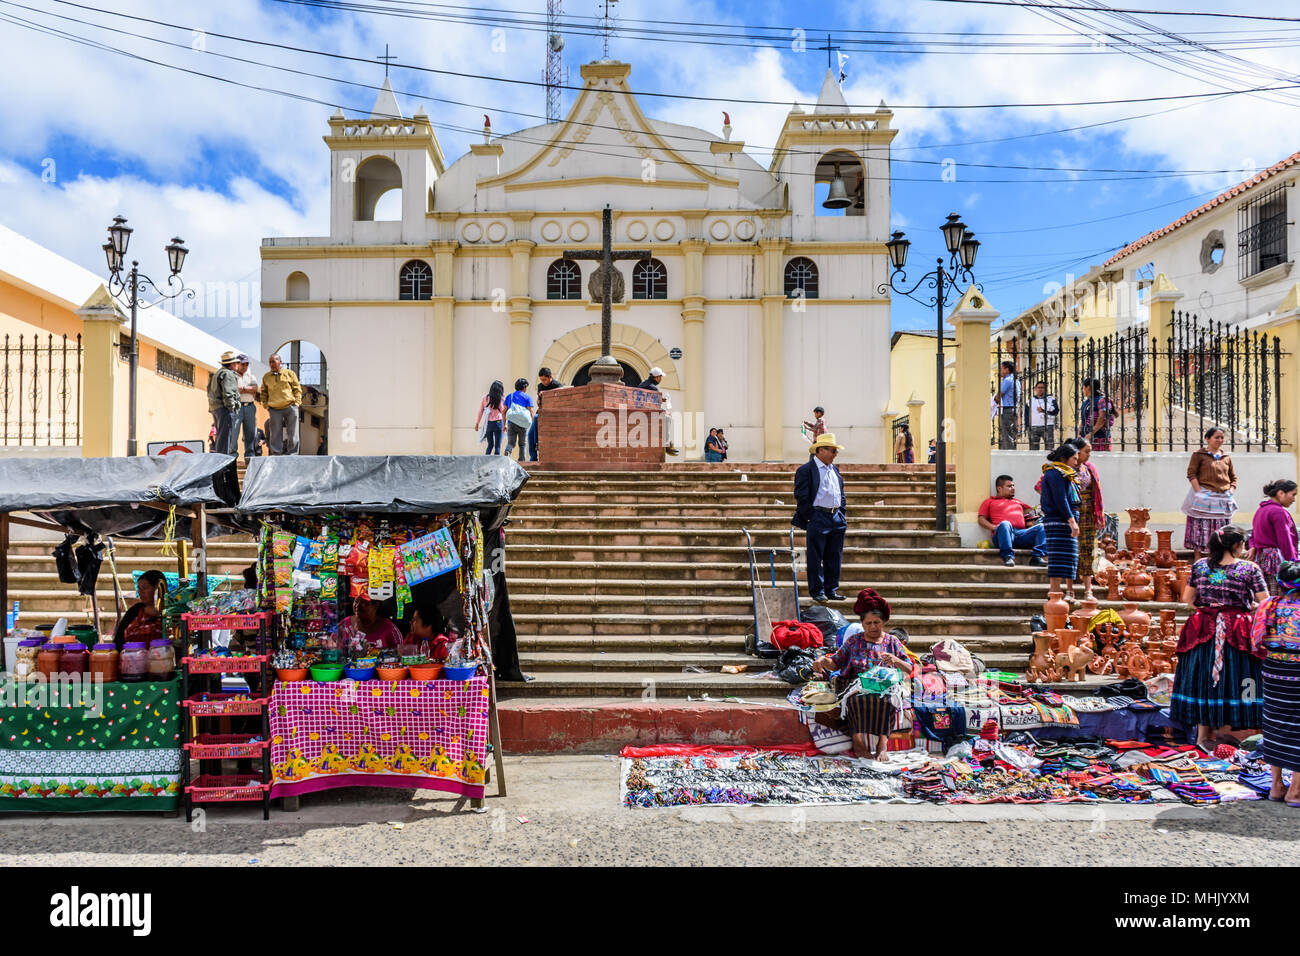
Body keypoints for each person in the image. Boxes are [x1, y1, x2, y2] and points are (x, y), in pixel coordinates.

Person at [1173, 526, 1267, 749]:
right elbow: (1265, 601)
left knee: (1204, 677)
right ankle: (1238, 736)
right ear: (1235, 545)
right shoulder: (1249, 569)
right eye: (1243, 543)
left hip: (1204, 628)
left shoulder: (1200, 566)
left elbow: (1188, 598)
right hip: (1236, 630)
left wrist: (1209, 608)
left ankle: (1202, 738)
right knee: (1241, 676)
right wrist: (1247, 608)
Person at [811, 589, 910, 760]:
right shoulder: (854, 641)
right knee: (856, 700)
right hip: (855, 685)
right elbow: (835, 662)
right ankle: (858, 742)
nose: (873, 627)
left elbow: (909, 667)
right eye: (868, 623)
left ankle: (882, 745)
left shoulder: (892, 642)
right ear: (862, 624)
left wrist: (895, 660)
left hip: (884, 686)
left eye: (877, 622)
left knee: (888, 701)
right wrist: (822, 660)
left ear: (884, 622)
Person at [1250, 560, 1300, 804]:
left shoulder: (1268, 605)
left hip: (1273, 672)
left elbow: (1255, 641)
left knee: (1276, 724)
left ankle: (1276, 786)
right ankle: (1296, 791)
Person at [792, 433, 847, 603]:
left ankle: (831, 589)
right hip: (818, 516)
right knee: (816, 556)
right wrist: (811, 517)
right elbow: (801, 496)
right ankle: (817, 591)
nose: (835, 454)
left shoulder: (834, 470)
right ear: (820, 450)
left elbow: (841, 493)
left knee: (834, 556)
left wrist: (841, 512)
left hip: (836, 517)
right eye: (832, 450)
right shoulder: (805, 470)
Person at [1182, 426, 1237, 561]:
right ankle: (1198, 558)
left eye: (1222, 438)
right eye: (1216, 437)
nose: (1219, 440)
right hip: (1204, 496)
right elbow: (1191, 474)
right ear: (1207, 438)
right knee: (1200, 527)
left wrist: (1230, 491)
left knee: (1220, 529)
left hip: (1222, 498)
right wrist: (1199, 493)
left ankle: (1217, 558)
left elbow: (1233, 478)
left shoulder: (1226, 457)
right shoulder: (1199, 455)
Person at [1040, 442, 1082, 599]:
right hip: (1059, 520)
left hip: (1066, 518)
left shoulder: (1065, 473)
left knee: (1069, 556)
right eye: (1074, 459)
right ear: (1064, 458)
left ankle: (1059, 591)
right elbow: (1060, 499)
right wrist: (1071, 521)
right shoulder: (1055, 473)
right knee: (1058, 556)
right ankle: (1055, 591)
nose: (1076, 463)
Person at [978, 475, 1046, 568]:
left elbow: (1031, 512)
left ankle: (1037, 557)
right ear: (999, 488)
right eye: (1009, 486)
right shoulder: (989, 502)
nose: (1013, 488)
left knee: (1041, 526)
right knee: (1006, 524)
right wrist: (993, 527)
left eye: (1013, 486)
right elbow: (981, 519)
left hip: (1020, 534)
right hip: (1002, 534)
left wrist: (1030, 522)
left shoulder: (1018, 502)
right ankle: (1008, 557)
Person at [1251, 479, 1299, 595]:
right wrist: (1293, 562)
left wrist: (1253, 547)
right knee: (1279, 593)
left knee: (1267, 592)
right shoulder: (1278, 512)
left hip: (1262, 557)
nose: (1293, 499)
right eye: (1293, 494)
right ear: (1281, 493)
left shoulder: (1261, 510)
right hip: (1276, 558)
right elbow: (1285, 540)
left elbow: (1253, 534)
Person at [1071, 437, 1104, 601]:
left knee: (1088, 549)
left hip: (1088, 514)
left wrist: (1098, 514)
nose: (1089, 455)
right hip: (1071, 513)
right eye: (1086, 451)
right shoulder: (1064, 468)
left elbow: (1097, 492)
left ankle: (1088, 590)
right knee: (1070, 549)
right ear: (1076, 452)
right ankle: (1069, 590)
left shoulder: (1089, 468)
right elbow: (1041, 487)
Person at [259, 353, 302, 455]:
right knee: (275, 433)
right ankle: (276, 453)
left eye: (274, 361)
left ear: (280, 362)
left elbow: (297, 389)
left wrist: (297, 403)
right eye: (270, 362)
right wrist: (266, 405)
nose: (272, 364)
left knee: (293, 432)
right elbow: (263, 392)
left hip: (290, 406)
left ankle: (293, 453)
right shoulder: (266, 377)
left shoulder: (289, 373)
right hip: (274, 409)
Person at [111, 569, 167, 649]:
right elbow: (119, 640)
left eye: (145, 588)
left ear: (158, 589)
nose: (140, 592)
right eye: (139, 588)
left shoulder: (169, 613)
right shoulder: (135, 611)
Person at [206, 350, 241, 455]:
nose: (237, 365)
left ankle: (220, 463)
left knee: (220, 437)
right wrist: (232, 408)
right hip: (224, 410)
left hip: (216, 408)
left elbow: (208, 390)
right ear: (231, 364)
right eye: (236, 362)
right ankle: (223, 467)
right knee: (225, 439)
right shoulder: (228, 374)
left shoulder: (217, 374)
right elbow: (228, 394)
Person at [338, 596, 403, 651]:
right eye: (356, 601)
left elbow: (399, 654)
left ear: (376, 605)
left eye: (363, 602)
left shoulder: (390, 629)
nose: (357, 606)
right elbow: (333, 647)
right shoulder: (345, 624)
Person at [529, 367, 563, 462]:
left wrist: (546, 393)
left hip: (551, 414)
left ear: (550, 377)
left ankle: (537, 444)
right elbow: (538, 401)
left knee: (536, 418)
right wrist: (539, 400)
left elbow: (560, 394)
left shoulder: (557, 385)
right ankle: (533, 457)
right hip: (541, 412)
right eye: (541, 380)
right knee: (530, 434)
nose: (543, 382)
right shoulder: (540, 386)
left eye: (544, 379)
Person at [233, 354, 259, 460]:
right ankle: (232, 457)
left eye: (247, 364)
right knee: (234, 433)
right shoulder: (232, 376)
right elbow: (235, 389)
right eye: (243, 364)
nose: (245, 366)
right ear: (237, 364)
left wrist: (243, 388)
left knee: (250, 433)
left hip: (250, 406)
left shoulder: (251, 377)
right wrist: (248, 388)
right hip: (237, 406)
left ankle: (249, 457)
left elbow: (255, 389)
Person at [1079, 378, 1115, 451]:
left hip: (1100, 439)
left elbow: (1102, 419)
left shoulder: (1102, 400)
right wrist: (1079, 433)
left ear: (1088, 387)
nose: (1082, 390)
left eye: (1083, 387)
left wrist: (1090, 434)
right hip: (1085, 439)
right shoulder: (1086, 402)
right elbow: (1083, 419)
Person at [503, 378, 534, 461]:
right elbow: (531, 411)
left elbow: (504, 412)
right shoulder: (527, 397)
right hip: (522, 424)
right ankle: (522, 461)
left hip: (511, 423)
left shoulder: (509, 396)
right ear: (524, 387)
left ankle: (507, 453)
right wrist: (533, 423)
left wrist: (504, 425)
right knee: (522, 444)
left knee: (510, 443)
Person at [1025, 380, 1058, 450]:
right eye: (1038, 388)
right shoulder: (1030, 401)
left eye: (1042, 388)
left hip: (1047, 426)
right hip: (1033, 427)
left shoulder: (1051, 399)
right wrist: (1027, 427)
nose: (1040, 389)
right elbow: (1026, 415)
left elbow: (1056, 411)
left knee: (1049, 448)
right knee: (1033, 449)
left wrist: (1043, 410)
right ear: (1035, 389)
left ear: (1045, 389)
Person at [476, 380, 506, 455]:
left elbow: (480, 411)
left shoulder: (485, 398)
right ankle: (496, 465)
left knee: (490, 445)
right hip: (498, 423)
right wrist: (505, 424)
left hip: (488, 424)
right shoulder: (501, 398)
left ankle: (486, 463)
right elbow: (503, 412)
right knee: (497, 446)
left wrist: (477, 423)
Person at [997, 361, 1019, 450]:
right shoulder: (1016, 380)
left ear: (1007, 369)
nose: (1000, 371)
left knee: (1006, 434)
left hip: (1007, 409)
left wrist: (993, 402)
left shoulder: (1008, 380)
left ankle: (1009, 454)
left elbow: (999, 396)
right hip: (1013, 409)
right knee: (1009, 433)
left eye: (1002, 368)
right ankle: (1006, 452)